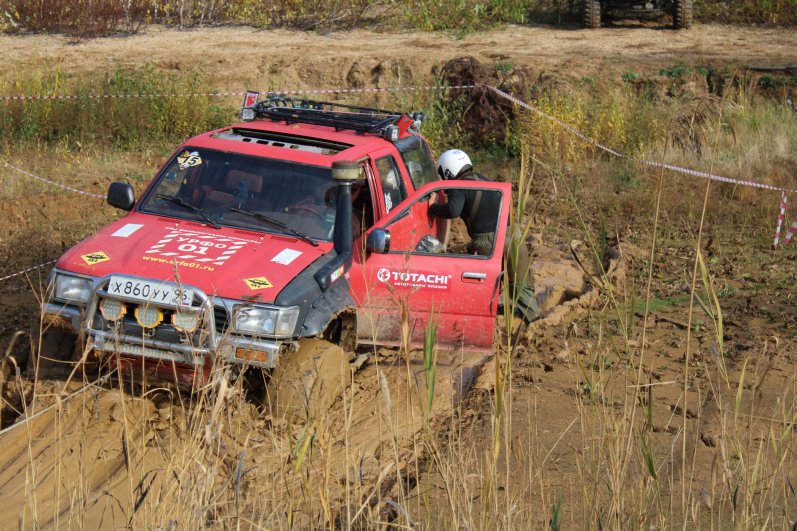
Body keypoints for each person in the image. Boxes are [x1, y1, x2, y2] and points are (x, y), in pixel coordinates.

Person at [428, 149, 539, 322]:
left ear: (447, 171)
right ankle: (533, 319)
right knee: (520, 281)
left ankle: (481, 319)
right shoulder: (484, 179)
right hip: (513, 234)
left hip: (488, 240)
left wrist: (433, 207)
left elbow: (453, 210)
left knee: (482, 286)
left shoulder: (460, 186)